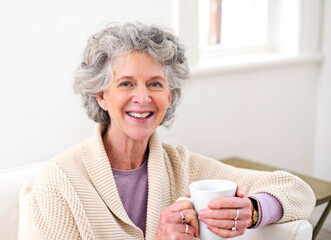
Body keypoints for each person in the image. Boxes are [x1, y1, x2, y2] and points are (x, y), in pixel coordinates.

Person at [29, 22, 315, 240]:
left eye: (155, 84)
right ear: (101, 96)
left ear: (170, 94)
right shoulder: (60, 181)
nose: (143, 98)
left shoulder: (182, 166)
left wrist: (251, 211)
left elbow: (298, 191)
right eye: (126, 83)